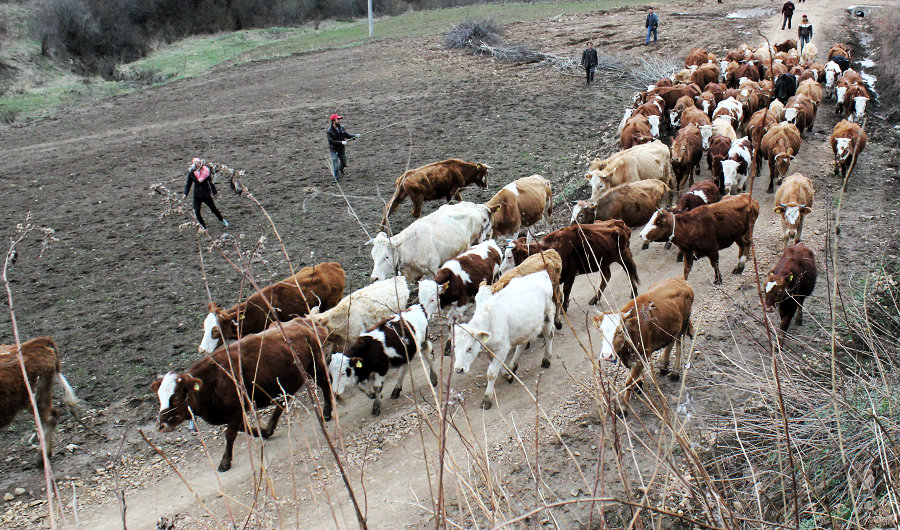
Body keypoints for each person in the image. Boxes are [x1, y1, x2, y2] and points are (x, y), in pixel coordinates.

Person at [183, 157, 228, 231]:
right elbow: (188, 184)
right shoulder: (191, 173)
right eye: (195, 164)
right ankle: (203, 226)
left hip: (206, 194)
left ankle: (222, 219)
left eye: (198, 164)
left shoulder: (206, 171)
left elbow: (211, 182)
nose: (197, 165)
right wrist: (185, 194)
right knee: (197, 212)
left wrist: (214, 192)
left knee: (214, 209)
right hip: (197, 195)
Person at [326, 114, 359, 182]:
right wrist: (341, 142)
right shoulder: (329, 131)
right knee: (335, 163)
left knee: (344, 162)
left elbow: (347, 135)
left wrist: (355, 136)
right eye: (338, 119)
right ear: (333, 121)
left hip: (341, 149)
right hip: (334, 150)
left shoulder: (341, 128)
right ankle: (336, 178)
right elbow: (331, 141)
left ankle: (340, 169)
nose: (339, 121)